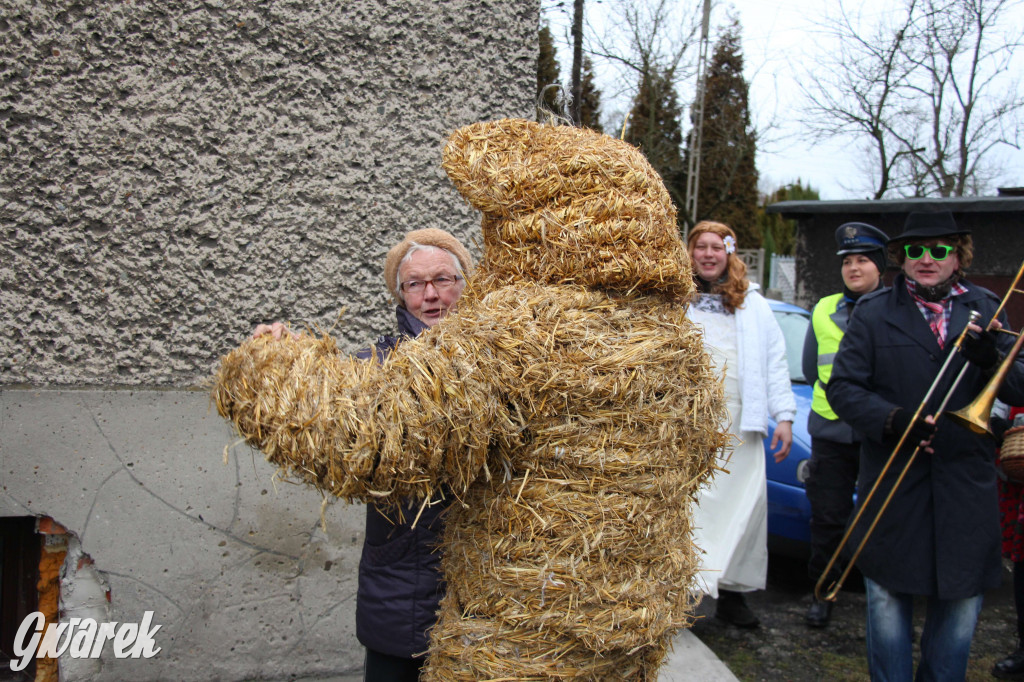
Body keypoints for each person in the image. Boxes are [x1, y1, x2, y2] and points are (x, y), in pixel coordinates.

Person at [254, 228, 472, 682]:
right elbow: (319, 395)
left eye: (443, 279)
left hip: (489, 592)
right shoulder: (375, 368)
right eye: (414, 284)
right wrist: (279, 354)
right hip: (401, 590)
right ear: (401, 295)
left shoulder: (512, 361)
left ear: (466, 283)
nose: (431, 295)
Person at [826, 210, 1024, 680]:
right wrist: (895, 421)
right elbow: (843, 389)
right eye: (915, 250)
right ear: (901, 257)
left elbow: (1019, 387)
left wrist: (993, 355)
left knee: (957, 617)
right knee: (888, 612)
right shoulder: (873, 312)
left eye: (940, 249)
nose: (927, 259)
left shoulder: (989, 307)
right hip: (895, 480)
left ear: (958, 255)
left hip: (964, 484)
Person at [687, 220, 796, 628]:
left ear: (730, 253)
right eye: (702, 246)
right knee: (692, 509)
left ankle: (734, 596)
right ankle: (684, 591)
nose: (710, 254)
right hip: (693, 424)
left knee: (745, 509)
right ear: (691, 251)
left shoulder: (753, 303)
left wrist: (783, 415)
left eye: (717, 247)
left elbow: (775, 361)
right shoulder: (677, 299)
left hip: (740, 422)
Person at [802, 222, 889, 628]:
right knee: (828, 517)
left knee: (884, 517)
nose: (854, 268)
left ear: (880, 266)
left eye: (863, 261)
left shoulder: (896, 308)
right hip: (832, 431)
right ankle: (823, 591)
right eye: (848, 262)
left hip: (880, 431)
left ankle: (885, 597)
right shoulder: (823, 308)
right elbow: (809, 366)